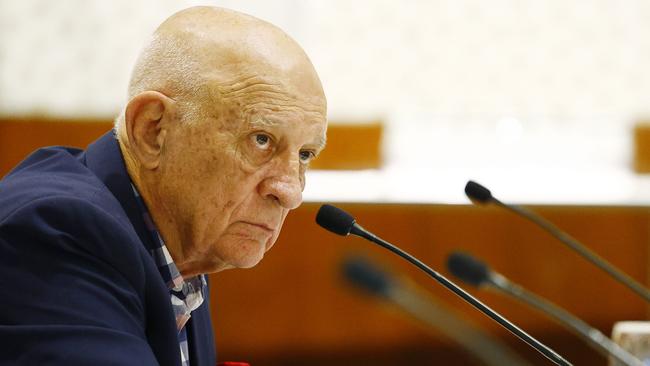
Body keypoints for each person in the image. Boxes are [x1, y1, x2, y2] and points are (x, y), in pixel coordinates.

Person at [0, 6, 327, 366]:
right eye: (261, 139)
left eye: (306, 153)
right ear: (152, 130)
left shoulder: (182, 250)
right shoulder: (55, 232)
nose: (290, 192)